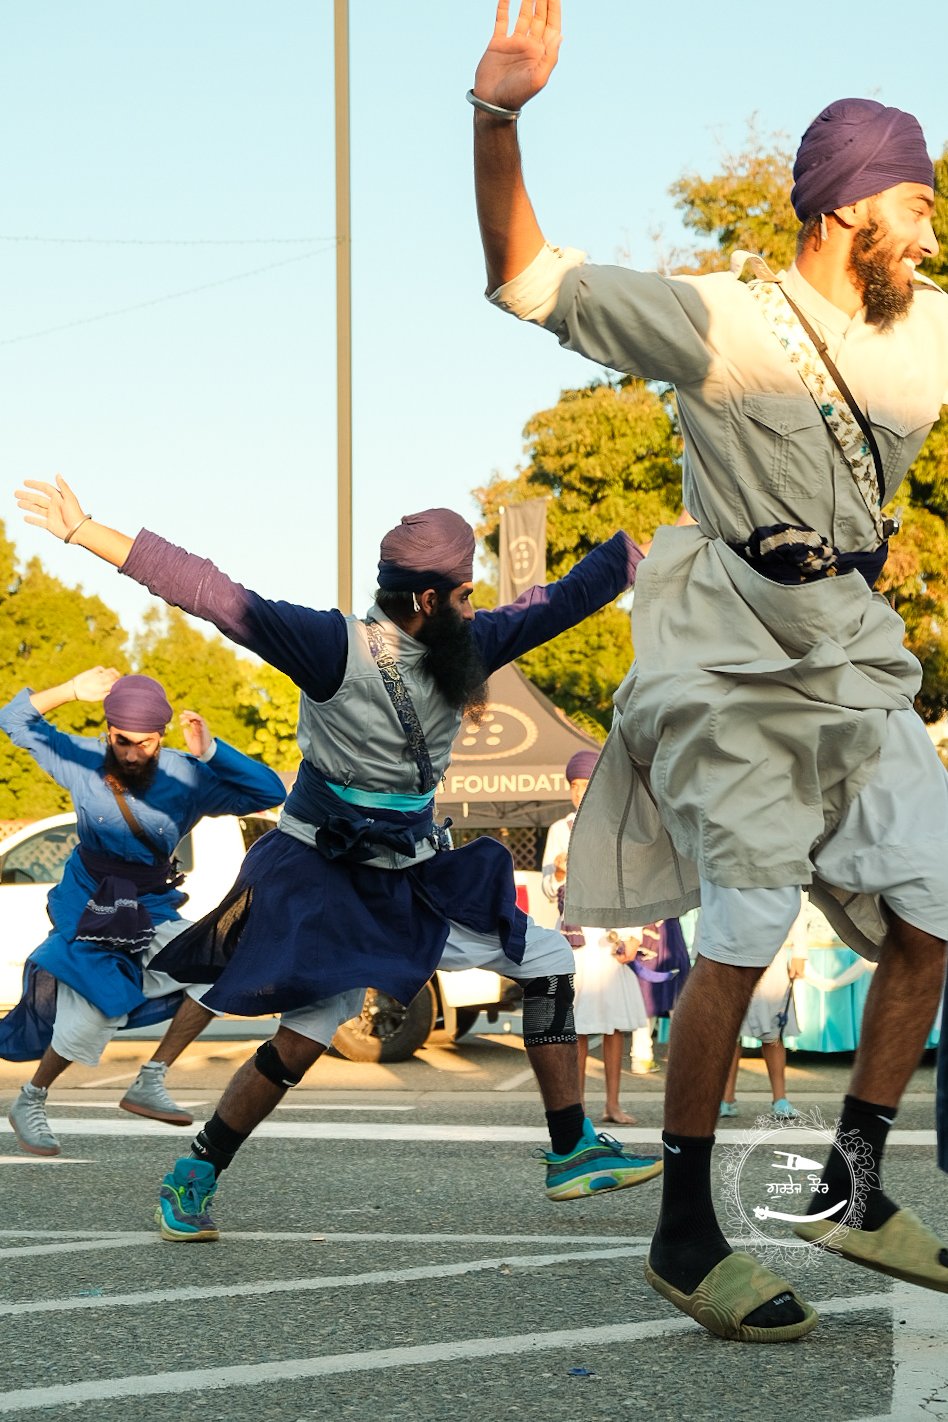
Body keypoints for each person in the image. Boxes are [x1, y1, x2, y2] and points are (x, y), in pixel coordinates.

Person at [471, 0, 948, 1343]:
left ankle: (852, 1186)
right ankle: (686, 1231)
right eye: (915, 202)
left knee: (936, 911)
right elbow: (525, 278)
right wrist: (496, 118)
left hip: (852, 655)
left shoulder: (929, 330)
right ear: (852, 210)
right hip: (732, 663)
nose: (930, 227)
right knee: (740, 938)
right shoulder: (720, 321)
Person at [12, 481, 663, 1240]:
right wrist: (87, 530)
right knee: (302, 1038)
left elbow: (561, 600)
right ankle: (193, 1174)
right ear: (425, 597)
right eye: (463, 591)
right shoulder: (330, 647)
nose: (472, 602)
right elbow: (209, 593)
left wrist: (645, 550)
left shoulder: (468, 643)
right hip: (324, 877)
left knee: (545, 959)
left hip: (415, 873)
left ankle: (569, 1149)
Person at [1, 667, 286, 1157]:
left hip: (152, 903)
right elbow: (13, 719)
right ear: (107, 731)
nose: (132, 753)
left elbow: (270, 793)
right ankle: (31, 1099)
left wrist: (212, 752)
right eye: (122, 741)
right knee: (96, 1009)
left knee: (219, 969)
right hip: (90, 902)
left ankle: (150, 1079)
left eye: (145, 743)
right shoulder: (83, 759)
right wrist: (70, 690)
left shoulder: (186, 774)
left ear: (161, 737)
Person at [542, 749, 648, 1125]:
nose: (580, 792)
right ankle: (579, 1107)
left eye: (587, 785)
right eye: (574, 785)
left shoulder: (614, 828)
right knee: (579, 1028)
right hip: (575, 943)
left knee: (614, 1025)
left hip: (608, 941)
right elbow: (546, 887)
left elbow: (629, 885)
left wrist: (634, 936)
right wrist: (555, 874)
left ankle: (613, 1105)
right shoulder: (559, 830)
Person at [720, 910, 808, 1120]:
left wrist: (799, 952)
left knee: (773, 1031)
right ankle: (726, 1099)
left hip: (771, 951)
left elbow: (797, 900)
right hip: (731, 950)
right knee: (731, 1032)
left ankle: (780, 1099)